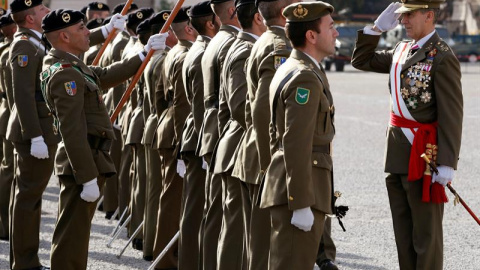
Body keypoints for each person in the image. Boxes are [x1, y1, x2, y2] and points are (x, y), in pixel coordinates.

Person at [40, 9, 166, 269]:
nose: (89, 33)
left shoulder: (72, 64)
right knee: (71, 237)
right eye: (81, 29)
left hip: (88, 156)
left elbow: (104, 75)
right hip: (81, 162)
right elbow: (72, 131)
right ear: (64, 35)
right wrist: (86, 176)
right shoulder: (64, 72)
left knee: (76, 234)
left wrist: (142, 54)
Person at [7, 0, 122, 268]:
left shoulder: (38, 41)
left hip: (44, 128)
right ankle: (24, 262)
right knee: (27, 201)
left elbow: (67, 41)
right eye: (41, 11)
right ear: (30, 19)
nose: (46, 12)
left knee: (32, 200)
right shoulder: (24, 44)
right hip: (31, 132)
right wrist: (34, 135)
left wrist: (105, 31)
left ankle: (28, 260)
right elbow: (23, 95)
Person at [351, 1, 463, 269]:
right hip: (397, 154)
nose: (403, 21)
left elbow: (452, 114)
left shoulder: (442, 56)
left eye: (409, 15)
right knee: (403, 235)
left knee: (426, 236)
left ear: (429, 15)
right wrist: (376, 29)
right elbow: (361, 60)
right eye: (401, 15)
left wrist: (447, 162)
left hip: (424, 156)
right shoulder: (401, 50)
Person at [259, 2, 338, 269]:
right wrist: (301, 202)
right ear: (311, 36)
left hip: (298, 186)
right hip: (301, 193)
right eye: (331, 27)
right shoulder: (304, 76)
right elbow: (295, 141)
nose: (336, 33)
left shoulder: (299, 67)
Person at [152, 6, 194, 269]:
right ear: (189, 27)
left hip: (168, 129)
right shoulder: (184, 54)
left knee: (172, 198)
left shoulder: (173, 52)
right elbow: (182, 105)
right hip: (177, 134)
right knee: (173, 201)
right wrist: (181, 146)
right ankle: (166, 261)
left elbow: (159, 98)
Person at [178, 2, 219, 268]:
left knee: (195, 209)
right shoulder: (204, 52)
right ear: (211, 23)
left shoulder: (197, 48)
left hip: (196, 136)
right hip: (202, 138)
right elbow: (203, 106)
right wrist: (209, 144)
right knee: (197, 211)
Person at [0, 12, 16, 242]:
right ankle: (5, 226)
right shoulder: (11, 51)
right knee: (9, 172)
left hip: (6, 111)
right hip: (10, 112)